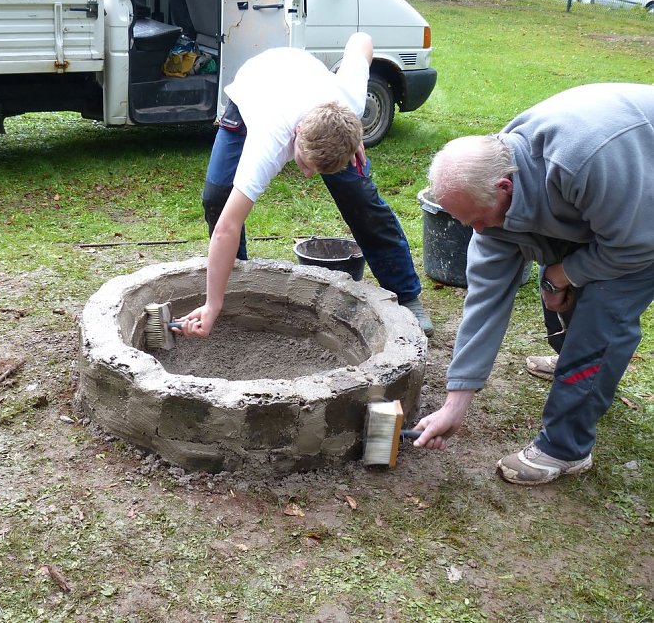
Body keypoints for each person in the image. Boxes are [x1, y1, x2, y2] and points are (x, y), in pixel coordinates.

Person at [412, 82, 654, 486]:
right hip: (609, 200)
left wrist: (566, 272)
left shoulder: (580, 165)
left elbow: (637, 247)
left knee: (601, 316)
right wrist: (456, 402)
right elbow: (485, 301)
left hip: (641, 215)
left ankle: (565, 448)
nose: (477, 231)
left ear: (504, 188)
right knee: (559, 285)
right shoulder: (494, 185)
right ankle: (579, 367)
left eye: (478, 220)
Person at [175, 32, 434, 341]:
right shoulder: (269, 140)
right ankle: (236, 284)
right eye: (305, 162)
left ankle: (405, 294)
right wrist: (212, 304)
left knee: (360, 197)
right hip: (253, 93)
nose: (308, 175)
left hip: (319, 100)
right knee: (218, 198)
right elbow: (226, 227)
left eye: (317, 169)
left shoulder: (349, 100)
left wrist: (353, 132)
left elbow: (361, 40)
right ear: (297, 133)